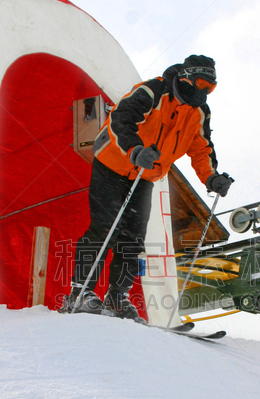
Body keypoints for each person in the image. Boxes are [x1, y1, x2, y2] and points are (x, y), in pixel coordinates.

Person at [61, 54, 234, 321]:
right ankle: (80, 292)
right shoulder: (153, 91)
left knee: (133, 237)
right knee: (105, 227)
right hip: (113, 162)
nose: (205, 92)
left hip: (146, 175)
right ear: (187, 78)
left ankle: (117, 297)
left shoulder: (199, 112)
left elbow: (201, 149)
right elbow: (120, 119)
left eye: (211, 88)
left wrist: (211, 178)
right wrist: (135, 150)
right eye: (201, 84)